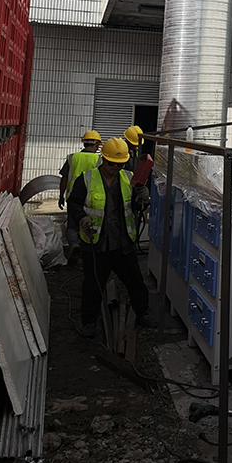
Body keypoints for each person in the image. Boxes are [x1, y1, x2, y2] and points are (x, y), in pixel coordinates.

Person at [67, 136, 157, 338]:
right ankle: (89, 322)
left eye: (120, 164)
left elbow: (136, 207)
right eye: (112, 164)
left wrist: (143, 198)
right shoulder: (87, 179)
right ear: (103, 159)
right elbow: (74, 203)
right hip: (96, 244)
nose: (115, 168)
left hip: (122, 244)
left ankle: (142, 313)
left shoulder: (128, 178)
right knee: (92, 285)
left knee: (135, 281)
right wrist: (81, 218)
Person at [58, 131, 102, 210]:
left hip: (72, 197)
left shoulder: (72, 157)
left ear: (84, 144)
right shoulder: (98, 160)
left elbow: (64, 178)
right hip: (92, 198)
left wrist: (61, 196)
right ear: (96, 145)